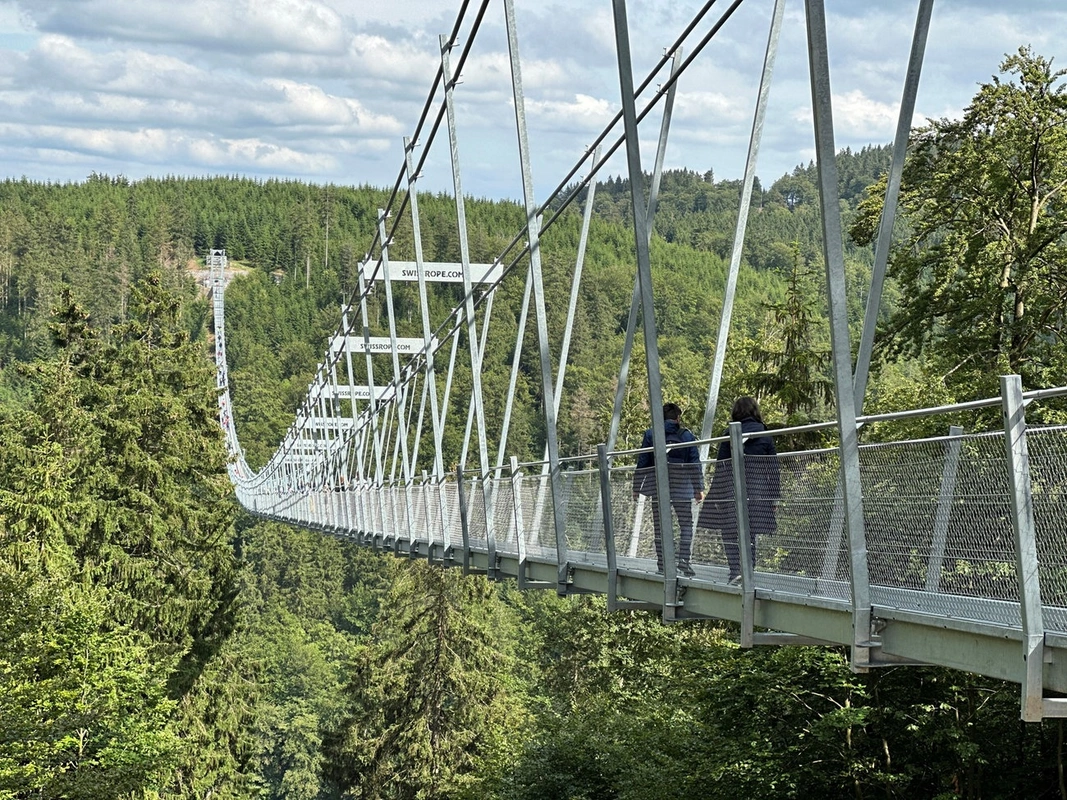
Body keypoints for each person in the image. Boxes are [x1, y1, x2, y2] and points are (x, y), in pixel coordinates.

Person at [698, 396, 780, 585]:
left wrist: (717, 496)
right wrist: (773, 497)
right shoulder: (764, 433)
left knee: (729, 530)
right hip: (758, 490)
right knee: (750, 532)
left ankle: (735, 571)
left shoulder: (729, 434)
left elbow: (722, 466)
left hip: (732, 489)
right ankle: (749, 571)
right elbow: (773, 467)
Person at [632, 403, 704, 575]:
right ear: (678, 418)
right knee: (686, 524)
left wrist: (637, 486)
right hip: (682, 487)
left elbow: (643, 461)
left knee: (660, 525)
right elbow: (694, 463)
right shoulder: (686, 435)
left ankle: (663, 565)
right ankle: (683, 561)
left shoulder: (651, 434)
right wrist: (698, 487)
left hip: (659, 487)